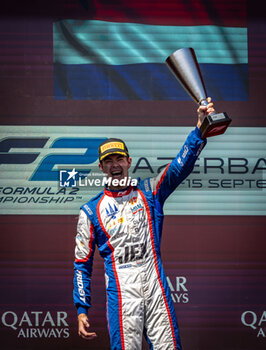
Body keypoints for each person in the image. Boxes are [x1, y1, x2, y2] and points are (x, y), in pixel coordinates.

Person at [73, 98, 215, 350]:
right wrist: (81, 308)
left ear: (129, 162)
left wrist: (199, 131)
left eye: (119, 159)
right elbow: (81, 264)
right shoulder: (90, 211)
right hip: (122, 296)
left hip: (155, 288)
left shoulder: (149, 190)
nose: (114, 165)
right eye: (108, 161)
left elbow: (180, 166)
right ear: (101, 167)